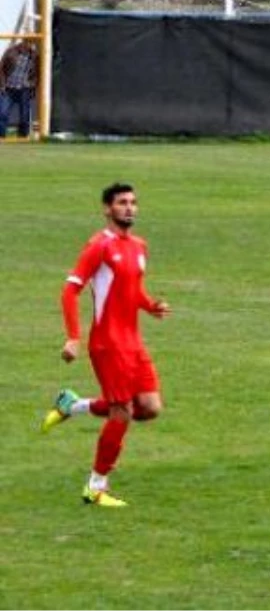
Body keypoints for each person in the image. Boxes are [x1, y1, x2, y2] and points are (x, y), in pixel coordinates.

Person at [41, 183, 171, 508]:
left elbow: (132, 290)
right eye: (122, 203)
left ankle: (72, 405)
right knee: (122, 412)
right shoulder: (99, 246)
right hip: (108, 343)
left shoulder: (139, 246)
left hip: (133, 341)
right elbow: (70, 290)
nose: (130, 208)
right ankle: (95, 487)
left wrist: (150, 305)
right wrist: (73, 336)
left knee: (150, 408)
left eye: (133, 202)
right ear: (107, 209)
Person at [0, 38, 38, 138]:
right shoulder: (11, 51)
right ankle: (1, 136)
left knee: (24, 116)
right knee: (2, 113)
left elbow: (37, 72)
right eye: (29, 42)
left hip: (24, 88)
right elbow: (2, 68)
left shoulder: (33, 55)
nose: (31, 45)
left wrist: (32, 85)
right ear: (23, 42)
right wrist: (2, 85)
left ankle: (22, 137)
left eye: (32, 43)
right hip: (8, 88)